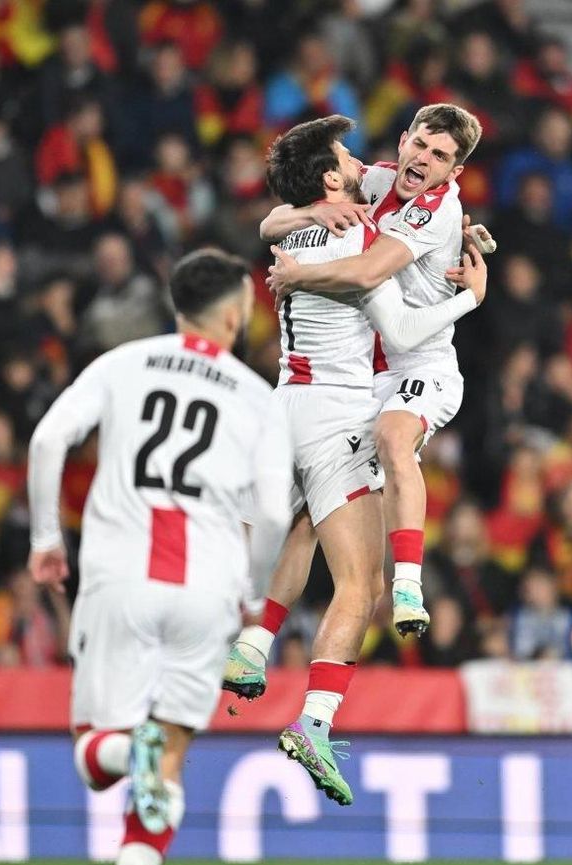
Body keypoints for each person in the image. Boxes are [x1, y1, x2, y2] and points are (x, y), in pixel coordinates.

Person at [224, 115, 489, 806]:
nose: (360, 161)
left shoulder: (309, 225)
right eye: (345, 157)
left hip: (284, 406)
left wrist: (303, 241)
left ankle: (249, 650)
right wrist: (470, 296)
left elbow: (272, 222)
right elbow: (396, 318)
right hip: (340, 412)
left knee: (298, 530)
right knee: (359, 585)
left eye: (438, 153)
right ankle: (317, 719)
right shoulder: (363, 231)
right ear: (331, 178)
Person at [25, 249, 294, 865]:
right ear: (231, 316)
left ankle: (127, 753)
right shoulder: (259, 398)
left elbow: (47, 440)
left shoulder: (122, 363)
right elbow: (272, 513)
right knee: (170, 751)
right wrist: (254, 595)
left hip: (121, 576)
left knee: (97, 756)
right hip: (208, 589)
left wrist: (46, 539)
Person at [264, 104, 486, 638]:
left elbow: (367, 273)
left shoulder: (437, 208)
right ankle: (254, 642)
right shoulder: (376, 178)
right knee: (311, 510)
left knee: (393, 437)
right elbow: (269, 221)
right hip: (369, 374)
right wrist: (313, 215)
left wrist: (299, 276)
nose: (424, 160)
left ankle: (409, 584)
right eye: (421, 145)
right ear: (404, 139)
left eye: (440, 157)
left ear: (454, 172)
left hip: (422, 362)